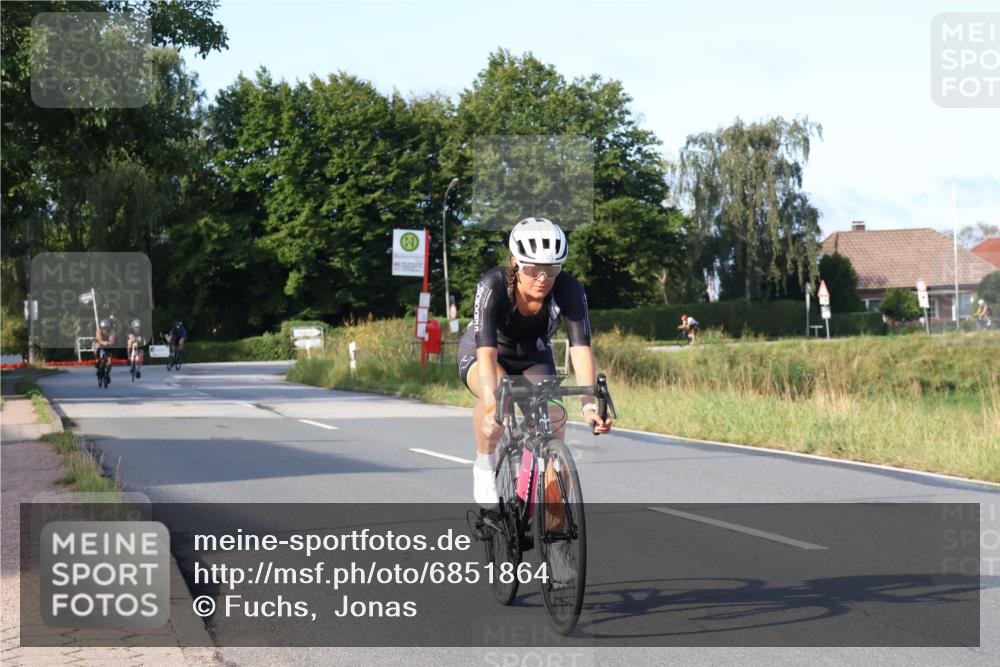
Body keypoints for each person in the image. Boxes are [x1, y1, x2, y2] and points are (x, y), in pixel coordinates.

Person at [456, 217, 613, 509]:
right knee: (496, 405)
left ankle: (552, 526)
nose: (542, 278)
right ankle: (484, 463)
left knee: (553, 423)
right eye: (532, 269)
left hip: (532, 355)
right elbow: (487, 355)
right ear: (514, 262)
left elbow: (581, 349)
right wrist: (493, 404)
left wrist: (589, 406)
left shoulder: (569, 289)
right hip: (488, 352)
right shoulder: (493, 285)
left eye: (552, 269)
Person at [93, 318, 116, 383]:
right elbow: (99, 339)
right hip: (99, 344)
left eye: (106, 328)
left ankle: (107, 374)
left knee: (109, 362)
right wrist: (104, 343)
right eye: (103, 328)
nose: (104, 330)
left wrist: (109, 343)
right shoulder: (98, 331)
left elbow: (112, 340)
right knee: (97, 346)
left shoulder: (112, 331)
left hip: (108, 346)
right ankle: (97, 360)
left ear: (108, 328)